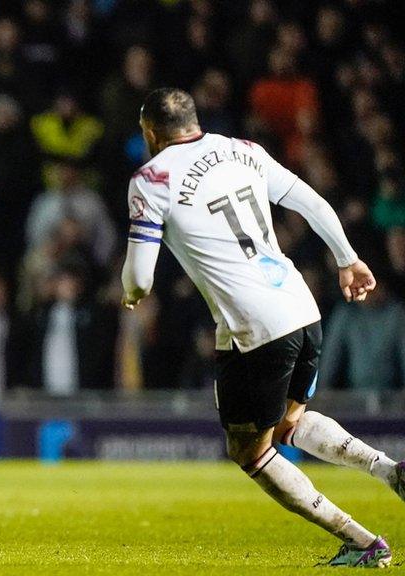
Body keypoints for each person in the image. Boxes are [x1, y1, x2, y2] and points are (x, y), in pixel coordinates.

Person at [120, 88, 403, 568]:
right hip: (301, 307)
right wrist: (348, 260)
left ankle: (361, 541)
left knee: (250, 451)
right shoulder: (244, 150)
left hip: (253, 331)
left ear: (150, 132)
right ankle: (389, 470)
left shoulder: (152, 177)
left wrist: (132, 292)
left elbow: (140, 276)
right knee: (289, 422)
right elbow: (312, 203)